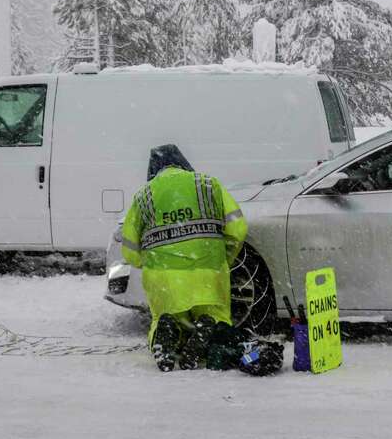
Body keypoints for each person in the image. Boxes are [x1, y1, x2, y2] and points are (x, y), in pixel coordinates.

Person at [120, 144, 280, 374]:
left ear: (153, 170)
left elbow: (129, 248)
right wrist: (225, 256)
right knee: (217, 317)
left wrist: (148, 262)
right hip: (208, 270)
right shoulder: (208, 184)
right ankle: (208, 329)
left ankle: (167, 333)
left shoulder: (143, 195)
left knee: (165, 315)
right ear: (184, 163)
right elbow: (238, 227)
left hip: (163, 276)